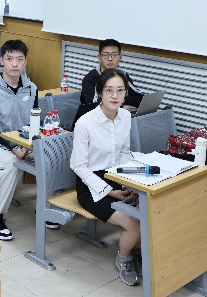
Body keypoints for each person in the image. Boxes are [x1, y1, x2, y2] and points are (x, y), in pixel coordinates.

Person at [70, 68, 143, 287]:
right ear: (100, 92)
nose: (115, 95)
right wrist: (110, 191)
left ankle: (136, 251)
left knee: (149, 214)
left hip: (115, 178)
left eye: (120, 90)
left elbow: (124, 153)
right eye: (109, 90)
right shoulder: (85, 122)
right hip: (90, 185)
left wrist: (127, 182)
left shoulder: (126, 116)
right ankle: (124, 258)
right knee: (134, 224)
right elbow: (78, 166)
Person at [0, 40, 42, 242]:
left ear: (25, 62)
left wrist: (28, 146)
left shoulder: (31, 88)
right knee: (12, 165)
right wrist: (13, 147)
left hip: (23, 144)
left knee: (52, 158)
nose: (15, 64)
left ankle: (45, 210)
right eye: (10, 59)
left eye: (19, 59)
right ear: (2, 61)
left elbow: (34, 122)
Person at [78, 39, 144, 121]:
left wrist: (120, 101)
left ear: (120, 57)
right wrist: (121, 107)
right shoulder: (90, 80)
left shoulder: (123, 76)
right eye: (106, 55)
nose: (110, 59)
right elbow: (95, 107)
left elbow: (140, 98)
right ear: (99, 57)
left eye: (114, 55)